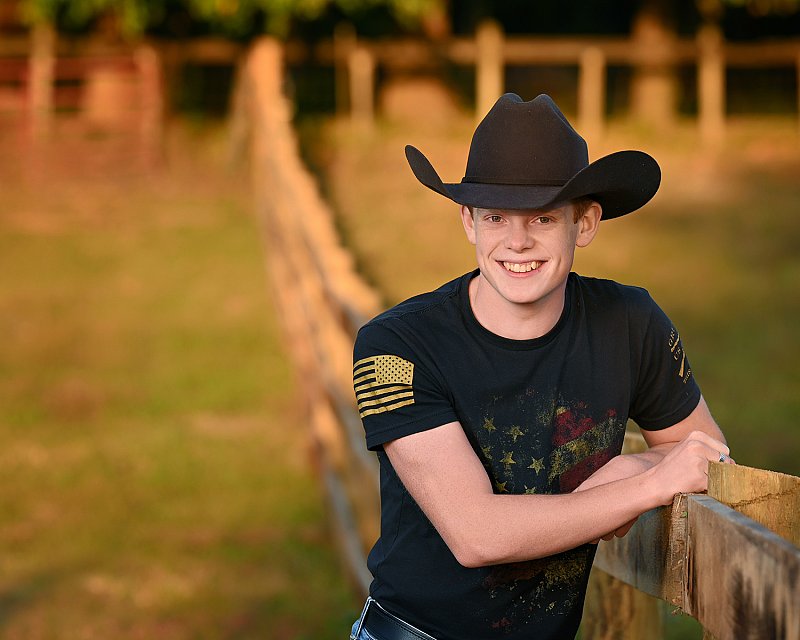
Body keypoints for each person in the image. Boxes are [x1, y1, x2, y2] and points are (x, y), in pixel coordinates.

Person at [349, 93, 732, 640]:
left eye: (543, 217)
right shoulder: (396, 346)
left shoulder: (628, 322)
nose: (517, 242)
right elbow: (477, 534)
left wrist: (630, 469)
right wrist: (646, 487)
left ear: (585, 222)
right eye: (496, 217)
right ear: (468, 222)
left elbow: (708, 454)